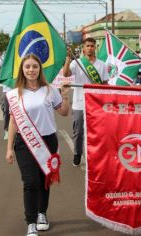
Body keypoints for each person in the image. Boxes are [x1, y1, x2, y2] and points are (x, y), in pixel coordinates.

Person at [5, 54, 70, 236]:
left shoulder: (50, 90)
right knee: (30, 182)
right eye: (27, 67)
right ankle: (31, 221)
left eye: (34, 66)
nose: (31, 70)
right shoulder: (15, 93)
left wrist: (65, 97)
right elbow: (13, 122)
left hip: (48, 141)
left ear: (39, 69)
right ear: (22, 70)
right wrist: (9, 148)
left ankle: (42, 213)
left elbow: (64, 113)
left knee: (44, 181)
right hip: (24, 143)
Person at [63, 37, 108, 166]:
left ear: (95, 48)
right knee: (78, 131)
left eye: (92, 46)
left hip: (96, 104)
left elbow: (105, 84)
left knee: (96, 132)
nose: (90, 48)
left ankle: (94, 155)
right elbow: (66, 74)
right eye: (87, 46)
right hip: (79, 103)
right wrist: (67, 59)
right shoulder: (77, 63)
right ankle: (77, 153)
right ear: (83, 48)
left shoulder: (102, 65)